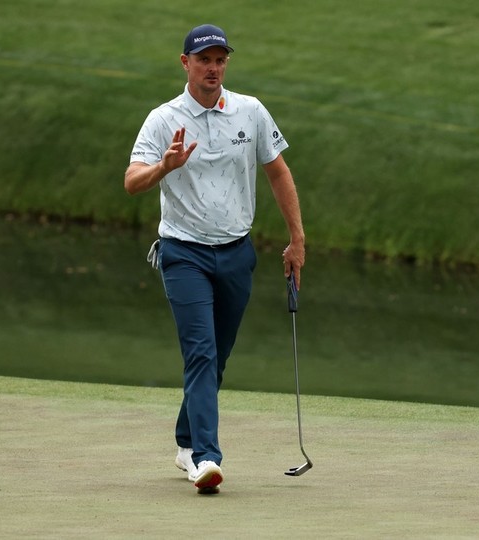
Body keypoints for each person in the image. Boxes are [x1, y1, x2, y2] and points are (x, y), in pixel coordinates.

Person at [124, 24, 305, 495]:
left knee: (216, 356)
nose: (213, 68)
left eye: (220, 60)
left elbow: (278, 172)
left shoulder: (251, 111)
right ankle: (206, 458)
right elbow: (132, 181)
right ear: (185, 63)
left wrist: (297, 239)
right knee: (201, 352)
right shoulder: (163, 119)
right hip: (184, 253)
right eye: (204, 60)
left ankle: (186, 441)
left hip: (237, 253)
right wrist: (164, 166)